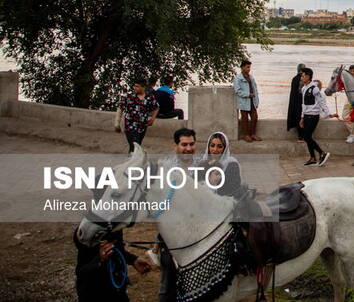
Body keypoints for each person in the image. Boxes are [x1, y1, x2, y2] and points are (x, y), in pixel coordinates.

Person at [158, 128, 198, 302]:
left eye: (191, 144)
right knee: (168, 281)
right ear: (175, 146)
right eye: (184, 145)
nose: (188, 148)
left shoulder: (202, 166)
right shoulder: (165, 169)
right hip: (172, 235)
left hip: (198, 233)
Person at [73, 227, 152, 302]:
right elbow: (82, 273)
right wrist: (99, 260)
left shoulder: (115, 225)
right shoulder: (87, 231)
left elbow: (117, 249)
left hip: (118, 292)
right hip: (94, 294)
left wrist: (133, 260)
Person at [115, 79, 159, 153]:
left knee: (137, 146)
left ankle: (134, 161)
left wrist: (153, 118)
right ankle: (133, 162)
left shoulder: (149, 98)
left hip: (142, 127)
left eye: (137, 86)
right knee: (134, 146)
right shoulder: (129, 96)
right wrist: (117, 123)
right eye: (134, 86)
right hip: (130, 126)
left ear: (143, 87)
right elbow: (120, 108)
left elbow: (156, 107)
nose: (135, 88)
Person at [299, 67, 332, 166]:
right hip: (306, 116)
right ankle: (312, 158)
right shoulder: (304, 88)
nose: (301, 77)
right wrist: (302, 118)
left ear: (308, 77)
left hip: (313, 116)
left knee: (306, 136)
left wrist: (328, 113)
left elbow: (322, 102)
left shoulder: (315, 89)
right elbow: (303, 105)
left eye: (303, 75)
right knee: (307, 137)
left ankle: (322, 153)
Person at [200, 131, 242, 197]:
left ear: (225, 148)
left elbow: (232, 190)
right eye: (212, 145)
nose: (215, 149)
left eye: (219, 146)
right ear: (208, 147)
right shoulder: (203, 162)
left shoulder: (231, 164)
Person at [234, 60, 261, 142]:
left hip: (252, 101)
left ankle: (253, 134)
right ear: (242, 67)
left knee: (254, 117)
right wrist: (248, 94)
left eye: (249, 67)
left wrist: (256, 101)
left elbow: (255, 89)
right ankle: (246, 135)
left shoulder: (251, 77)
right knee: (244, 119)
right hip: (244, 102)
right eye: (247, 67)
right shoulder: (238, 78)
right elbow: (237, 91)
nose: (249, 69)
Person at [287, 63, 305, 143]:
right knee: (302, 118)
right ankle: (302, 137)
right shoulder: (304, 79)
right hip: (302, 103)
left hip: (295, 102)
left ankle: (300, 137)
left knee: (298, 118)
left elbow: (294, 92)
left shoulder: (294, 78)